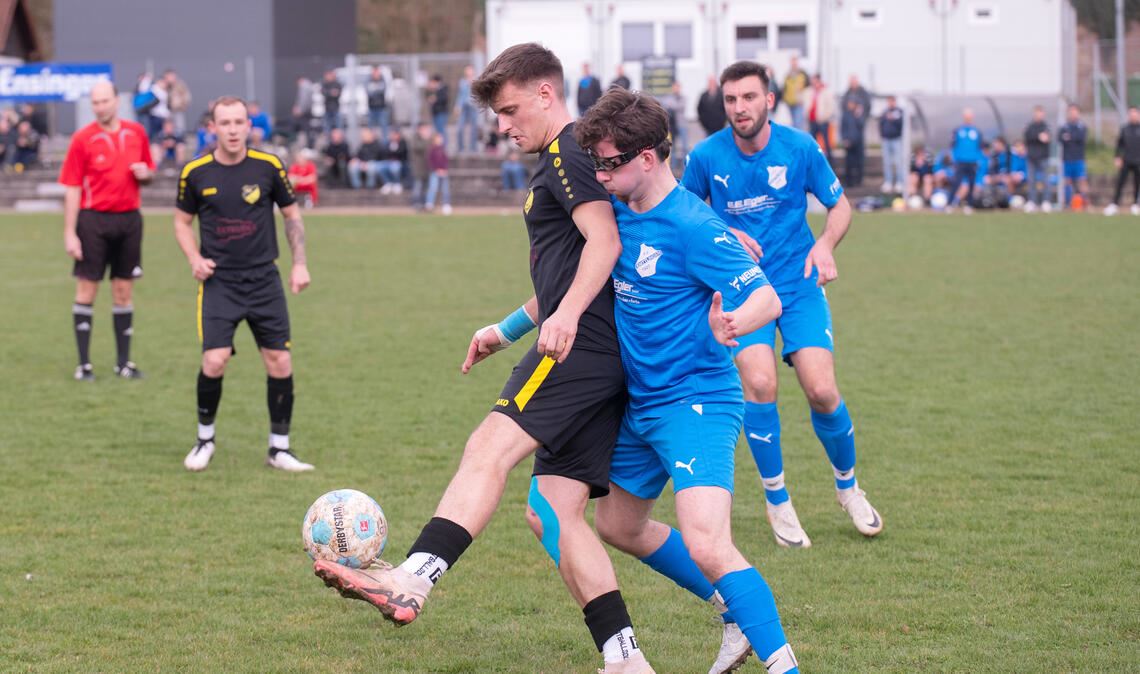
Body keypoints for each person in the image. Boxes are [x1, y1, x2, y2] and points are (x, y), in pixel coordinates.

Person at [311, 42, 657, 674]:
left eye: (510, 109)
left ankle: (412, 580)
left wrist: (565, 318)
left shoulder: (569, 150)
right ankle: (624, 657)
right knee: (553, 512)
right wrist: (509, 327)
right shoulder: (562, 156)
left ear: (546, 94)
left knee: (486, 448)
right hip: (595, 349)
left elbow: (604, 243)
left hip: (579, 347)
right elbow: (568, 268)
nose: (502, 125)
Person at [576, 86, 800, 674]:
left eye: (608, 163)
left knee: (706, 542)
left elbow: (768, 299)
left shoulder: (695, 225)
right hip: (641, 406)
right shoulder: (616, 214)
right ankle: (734, 613)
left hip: (697, 401)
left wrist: (734, 322)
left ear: (647, 158)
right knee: (617, 525)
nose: (600, 175)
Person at [682, 61, 883, 549]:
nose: (740, 108)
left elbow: (840, 206)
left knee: (822, 390)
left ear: (769, 100)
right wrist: (726, 233)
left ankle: (849, 488)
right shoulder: (706, 156)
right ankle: (778, 500)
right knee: (760, 383)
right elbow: (683, 215)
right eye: (731, 100)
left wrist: (826, 245)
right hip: (741, 288)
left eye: (749, 97)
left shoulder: (800, 147)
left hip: (798, 284)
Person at [174, 96, 313, 473]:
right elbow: (181, 222)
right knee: (214, 359)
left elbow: (291, 215)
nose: (233, 130)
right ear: (212, 128)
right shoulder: (195, 172)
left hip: (264, 279)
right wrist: (194, 259)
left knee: (279, 360)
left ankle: (279, 448)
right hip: (219, 282)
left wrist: (299, 264)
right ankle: (204, 440)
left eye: (239, 122)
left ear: (249, 126)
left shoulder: (269, 166)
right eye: (225, 123)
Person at [59, 81, 154, 381]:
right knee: (87, 289)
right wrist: (70, 232)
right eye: (95, 102)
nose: (100, 107)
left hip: (129, 220)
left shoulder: (136, 133)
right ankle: (84, 365)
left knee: (123, 291)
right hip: (93, 221)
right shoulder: (82, 139)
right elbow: (72, 187)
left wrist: (146, 174)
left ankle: (123, 363)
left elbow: (148, 171)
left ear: (117, 100)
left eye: (104, 101)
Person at [1105, 105, 1140, 216]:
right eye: (1131, 113)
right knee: (1120, 183)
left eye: (1135, 113)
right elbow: (1119, 145)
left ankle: (1135, 205)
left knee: (1137, 184)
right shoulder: (1125, 129)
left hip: (1138, 161)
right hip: (1126, 160)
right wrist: (1117, 157)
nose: (1133, 115)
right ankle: (1114, 204)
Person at [949, 108, 984, 213]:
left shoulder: (977, 131)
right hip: (960, 161)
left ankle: (969, 205)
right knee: (956, 182)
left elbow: (980, 147)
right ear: (963, 117)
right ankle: (950, 204)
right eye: (966, 116)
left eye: (970, 116)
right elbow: (953, 146)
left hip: (972, 161)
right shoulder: (958, 131)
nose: (968, 118)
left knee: (971, 183)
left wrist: (978, 159)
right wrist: (954, 159)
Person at [1058, 104, 1089, 209]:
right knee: (1067, 181)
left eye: (1075, 112)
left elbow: (1081, 138)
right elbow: (1060, 138)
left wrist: (1069, 137)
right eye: (1071, 112)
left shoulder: (1082, 126)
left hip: (1079, 158)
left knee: (1082, 180)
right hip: (1067, 158)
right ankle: (1068, 203)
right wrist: (1070, 138)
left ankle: (1085, 202)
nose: (1073, 114)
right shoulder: (1064, 127)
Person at [1023, 105, 1051, 212]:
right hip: (1031, 157)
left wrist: (1037, 137)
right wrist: (1038, 137)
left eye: (1040, 113)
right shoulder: (1030, 126)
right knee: (1031, 181)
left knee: (1045, 180)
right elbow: (1028, 136)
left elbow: (1046, 138)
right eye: (1037, 113)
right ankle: (1032, 202)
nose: (1038, 115)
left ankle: (1046, 202)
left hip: (1043, 157)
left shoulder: (1046, 126)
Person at [804, 73, 835, 162]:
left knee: (826, 142)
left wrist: (824, 117)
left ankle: (830, 162)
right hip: (812, 120)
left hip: (822, 121)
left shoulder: (826, 91)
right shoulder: (809, 91)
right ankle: (814, 161)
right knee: (813, 143)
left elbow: (831, 107)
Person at [879, 95, 904, 193]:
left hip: (896, 139)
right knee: (887, 162)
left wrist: (893, 119)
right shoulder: (884, 112)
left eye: (892, 101)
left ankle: (899, 182)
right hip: (886, 140)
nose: (890, 103)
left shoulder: (899, 112)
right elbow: (881, 124)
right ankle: (888, 182)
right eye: (889, 101)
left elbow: (902, 124)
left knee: (898, 162)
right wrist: (882, 135)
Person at [424, 132, 452, 215]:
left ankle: (446, 204)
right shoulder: (432, 149)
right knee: (433, 188)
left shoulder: (443, 149)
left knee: (445, 189)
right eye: (438, 138)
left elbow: (446, 160)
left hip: (443, 172)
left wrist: (444, 170)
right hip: (435, 172)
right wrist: (436, 170)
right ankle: (429, 204)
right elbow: (430, 161)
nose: (440, 140)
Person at [839, 99, 866, 188]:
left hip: (858, 143)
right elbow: (842, 128)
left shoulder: (859, 114)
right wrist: (845, 139)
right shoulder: (845, 115)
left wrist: (858, 115)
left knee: (859, 163)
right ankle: (849, 181)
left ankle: (859, 181)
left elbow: (861, 125)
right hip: (849, 142)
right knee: (849, 163)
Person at [456, 65, 480, 153]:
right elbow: (460, 95)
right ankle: (460, 148)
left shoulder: (477, 81)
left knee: (474, 128)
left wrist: (472, 84)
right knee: (460, 127)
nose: (468, 72)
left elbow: (478, 93)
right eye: (467, 70)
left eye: (470, 70)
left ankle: (473, 148)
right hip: (464, 107)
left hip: (473, 107)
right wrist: (457, 106)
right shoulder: (462, 82)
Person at [377, 128, 408, 194]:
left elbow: (401, 153)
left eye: (394, 134)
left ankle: (397, 183)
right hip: (389, 161)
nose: (393, 136)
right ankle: (388, 183)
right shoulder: (388, 143)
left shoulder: (403, 143)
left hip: (400, 162)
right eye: (391, 135)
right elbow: (384, 153)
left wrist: (393, 152)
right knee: (380, 167)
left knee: (395, 167)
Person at [781, 57, 809, 131]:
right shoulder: (788, 75)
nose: (793, 64)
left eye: (795, 62)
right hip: (789, 102)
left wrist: (804, 98)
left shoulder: (803, 74)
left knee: (798, 123)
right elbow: (784, 87)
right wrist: (784, 98)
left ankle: (799, 137)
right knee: (793, 123)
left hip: (799, 102)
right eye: (792, 62)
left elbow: (808, 87)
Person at [163, 69, 192, 136]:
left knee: (179, 127)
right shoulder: (165, 85)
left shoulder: (179, 85)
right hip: (166, 111)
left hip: (177, 109)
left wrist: (182, 105)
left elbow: (187, 97)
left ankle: (179, 138)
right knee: (167, 128)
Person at [365, 65, 391, 141]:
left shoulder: (382, 80)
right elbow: (369, 92)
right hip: (371, 107)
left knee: (384, 127)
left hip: (381, 107)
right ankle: (371, 142)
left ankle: (385, 143)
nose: (376, 74)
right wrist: (377, 90)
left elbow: (382, 90)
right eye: (374, 72)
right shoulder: (369, 81)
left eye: (377, 72)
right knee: (371, 128)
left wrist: (374, 90)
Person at [427, 74, 450, 141]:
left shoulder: (443, 89)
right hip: (435, 113)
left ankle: (443, 145)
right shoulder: (434, 90)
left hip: (441, 113)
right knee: (438, 131)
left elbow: (445, 99)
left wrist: (435, 99)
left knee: (441, 131)